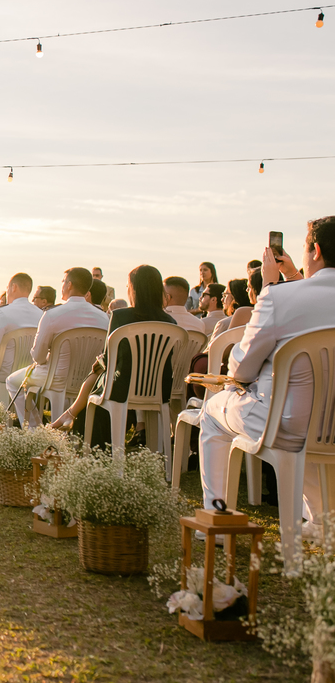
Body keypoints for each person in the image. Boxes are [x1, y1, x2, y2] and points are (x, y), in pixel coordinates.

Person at [198, 216, 335, 532]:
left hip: (289, 425)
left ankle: (218, 521)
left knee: (212, 412)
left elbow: (240, 370)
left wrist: (273, 286)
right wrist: (292, 275)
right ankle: (318, 520)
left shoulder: (278, 296)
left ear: (314, 249)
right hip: (328, 423)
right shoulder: (290, 289)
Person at [50, 265, 177, 441]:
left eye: (128, 285)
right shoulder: (171, 322)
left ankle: (77, 426)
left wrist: (101, 361)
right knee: (100, 372)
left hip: (123, 387)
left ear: (135, 289)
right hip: (159, 388)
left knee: (99, 375)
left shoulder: (120, 317)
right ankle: (71, 416)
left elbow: (109, 359)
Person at [6, 267, 109, 430]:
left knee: (12, 381)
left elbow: (38, 357)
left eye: (63, 281)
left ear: (69, 285)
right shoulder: (105, 318)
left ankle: (35, 429)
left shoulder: (53, 314)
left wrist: (48, 357)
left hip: (56, 377)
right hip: (88, 380)